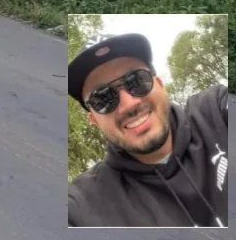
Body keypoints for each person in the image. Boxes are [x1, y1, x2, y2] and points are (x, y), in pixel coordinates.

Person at [67, 32, 229, 227]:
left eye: (136, 80)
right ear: (94, 119)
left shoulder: (216, 111)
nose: (128, 105)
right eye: (103, 99)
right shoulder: (86, 204)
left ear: (160, 85)